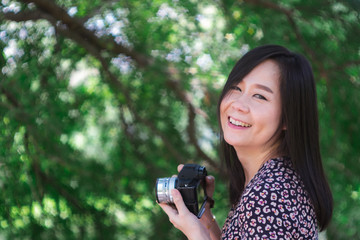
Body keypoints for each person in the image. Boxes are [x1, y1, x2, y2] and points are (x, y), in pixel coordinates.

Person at [158, 45, 333, 239]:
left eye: (260, 96)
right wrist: (206, 221)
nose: (239, 104)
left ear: (287, 118)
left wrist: (195, 235)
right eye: (236, 88)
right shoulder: (271, 183)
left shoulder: (267, 197)